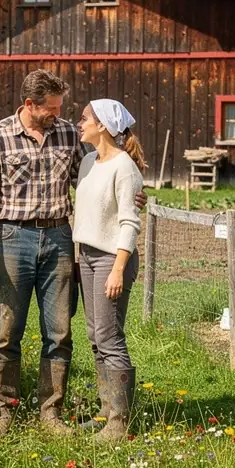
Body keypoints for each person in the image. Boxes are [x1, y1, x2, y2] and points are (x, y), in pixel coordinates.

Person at [0, 70, 82, 436]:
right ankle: (4, 411)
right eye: (50, 107)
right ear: (29, 104)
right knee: (5, 329)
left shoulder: (68, 134)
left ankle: (51, 412)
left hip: (58, 237)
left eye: (59, 106)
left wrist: (130, 189)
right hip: (12, 239)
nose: (58, 113)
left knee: (59, 331)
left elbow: (93, 179)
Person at [73, 99, 146, 440]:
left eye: (85, 118)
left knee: (109, 337)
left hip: (111, 258)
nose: (80, 122)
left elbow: (131, 222)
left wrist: (118, 269)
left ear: (102, 124)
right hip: (86, 255)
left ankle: (119, 421)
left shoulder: (125, 167)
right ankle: (106, 410)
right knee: (94, 336)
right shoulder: (89, 161)